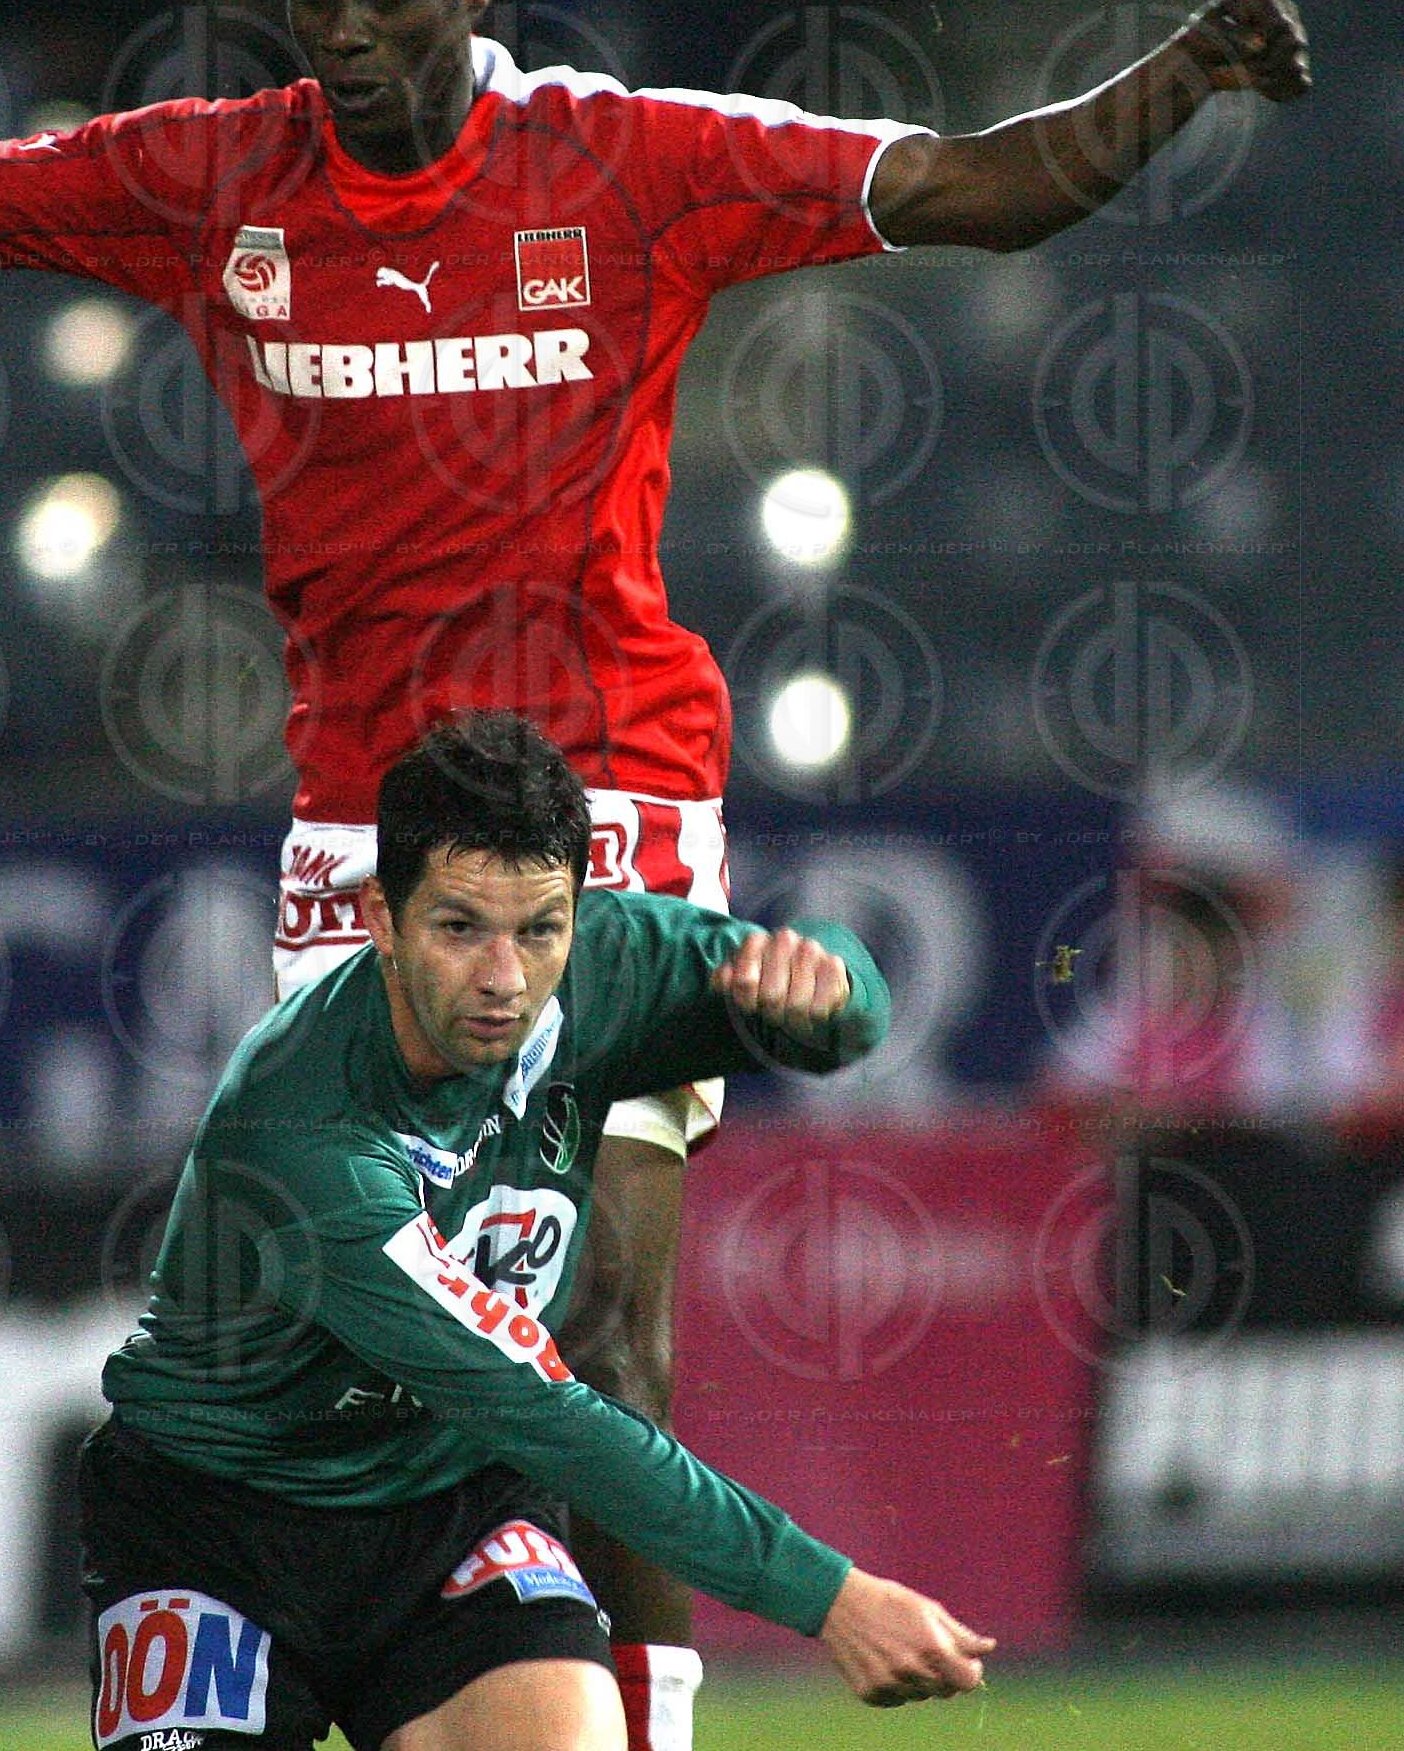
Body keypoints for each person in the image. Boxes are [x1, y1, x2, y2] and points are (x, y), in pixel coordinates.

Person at [0, 0, 1308, 1751]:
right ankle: (322, 1669)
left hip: (606, 792)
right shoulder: (211, 180)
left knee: (598, 1307)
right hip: (361, 835)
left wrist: (1179, 75)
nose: (345, 29)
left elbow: (969, 185)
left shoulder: (623, 160)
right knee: (358, 1316)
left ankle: (645, 1725)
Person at [80, 710, 991, 1751]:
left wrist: (831, 993)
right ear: (380, 913)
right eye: (459, 926)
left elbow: (835, 987)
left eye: (539, 928)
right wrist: (830, 1596)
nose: (505, 976)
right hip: (218, 1523)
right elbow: (544, 1410)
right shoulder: (304, 1134)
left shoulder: (603, 967)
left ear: (576, 912)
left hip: (451, 1500)